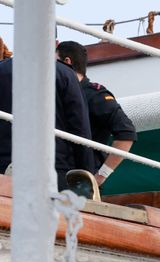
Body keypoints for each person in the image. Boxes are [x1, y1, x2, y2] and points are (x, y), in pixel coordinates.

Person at [0, 55, 97, 191]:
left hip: (9, 167)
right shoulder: (64, 73)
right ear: (55, 42)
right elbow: (80, 127)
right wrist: (86, 173)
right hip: (55, 169)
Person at [55, 41, 138, 188]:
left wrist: (99, 177)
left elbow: (126, 133)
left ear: (67, 62)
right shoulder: (56, 95)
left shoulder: (95, 95)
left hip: (80, 184)